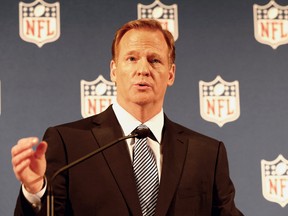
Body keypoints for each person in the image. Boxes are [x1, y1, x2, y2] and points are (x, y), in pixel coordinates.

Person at [11, 19, 244, 216]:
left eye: (154, 60)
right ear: (114, 70)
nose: (143, 69)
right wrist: (34, 190)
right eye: (131, 58)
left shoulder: (207, 153)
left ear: (170, 74)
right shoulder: (68, 143)